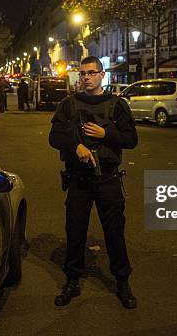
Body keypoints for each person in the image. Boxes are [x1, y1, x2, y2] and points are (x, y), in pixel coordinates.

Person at [49, 56, 138, 309]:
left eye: (91, 73)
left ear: (102, 75)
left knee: (114, 232)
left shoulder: (117, 105)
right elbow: (54, 136)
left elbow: (131, 139)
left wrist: (105, 133)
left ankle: (122, 281)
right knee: (75, 230)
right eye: (83, 73)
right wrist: (75, 145)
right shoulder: (68, 105)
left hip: (108, 178)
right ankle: (72, 279)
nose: (86, 77)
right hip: (79, 179)